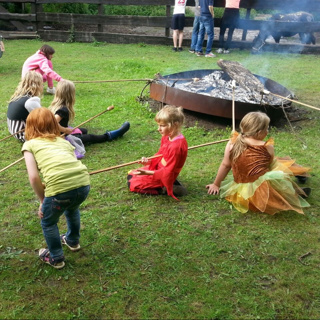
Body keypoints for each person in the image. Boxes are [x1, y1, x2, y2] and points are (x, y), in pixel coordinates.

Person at [22, 107, 90, 269]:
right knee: (72, 209)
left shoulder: (30, 145)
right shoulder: (62, 141)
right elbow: (66, 165)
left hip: (61, 190)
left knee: (48, 221)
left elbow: (33, 177)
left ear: (29, 126)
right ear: (54, 124)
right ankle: (73, 241)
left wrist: (42, 199)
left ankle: (56, 258)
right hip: (83, 184)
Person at [206, 112, 311, 215]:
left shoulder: (232, 143)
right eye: (267, 129)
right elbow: (269, 165)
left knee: (279, 166)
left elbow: (225, 165)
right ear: (259, 132)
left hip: (241, 190)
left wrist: (216, 184)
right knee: (279, 172)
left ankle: (295, 189)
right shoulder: (266, 146)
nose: (267, 131)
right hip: (260, 188)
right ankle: (296, 192)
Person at [127, 105, 188, 200]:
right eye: (158, 125)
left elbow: (168, 171)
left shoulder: (176, 146)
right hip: (160, 168)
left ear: (175, 125)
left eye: (162, 126)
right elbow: (161, 154)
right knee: (131, 175)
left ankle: (164, 188)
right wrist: (149, 161)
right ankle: (170, 184)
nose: (158, 129)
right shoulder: (167, 136)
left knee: (133, 184)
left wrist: (147, 172)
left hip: (166, 174)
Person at [48, 80, 130, 144]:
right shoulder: (63, 109)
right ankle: (109, 136)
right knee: (90, 137)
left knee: (83, 130)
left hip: (57, 134)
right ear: (70, 95)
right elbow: (53, 123)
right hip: (61, 138)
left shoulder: (56, 106)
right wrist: (65, 130)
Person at [7, 71, 43, 142]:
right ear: (37, 85)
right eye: (42, 83)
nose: (43, 86)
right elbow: (42, 119)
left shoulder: (19, 95)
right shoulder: (30, 101)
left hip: (12, 129)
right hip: (23, 133)